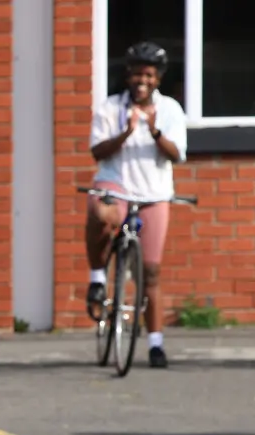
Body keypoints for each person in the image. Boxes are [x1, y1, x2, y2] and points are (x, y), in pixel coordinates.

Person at [84, 41, 187, 369]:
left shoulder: (170, 110)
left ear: (157, 78)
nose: (142, 80)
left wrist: (154, 130)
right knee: (100, 211)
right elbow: (98, 153)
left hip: (153, 193)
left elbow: (176, 155)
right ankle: (98, 277)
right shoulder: (110, 108)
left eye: (149, 75)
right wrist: (127, 131)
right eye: (137, 74)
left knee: (151, 273)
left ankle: (156, 344)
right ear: (128, 75)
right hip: (116, 183)